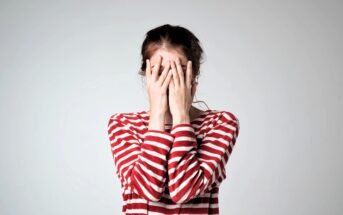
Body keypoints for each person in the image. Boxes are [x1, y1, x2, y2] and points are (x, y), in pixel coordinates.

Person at [107, 24, 240, 215]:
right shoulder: (123, 124)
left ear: (194, 75)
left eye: (178, 70)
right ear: (146, 75)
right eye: (159, 71)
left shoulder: (220, 124)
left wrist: (181, 117)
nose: (169, 80)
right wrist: (158, 115)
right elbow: (147, 190)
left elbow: (184, 190)